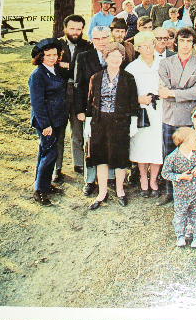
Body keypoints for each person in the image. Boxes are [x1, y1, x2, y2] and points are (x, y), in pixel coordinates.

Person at [158, 27, 196, 205]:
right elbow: (163, 90)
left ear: (194, 44)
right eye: (182, 41)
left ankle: (190, 192)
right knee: (169, 155)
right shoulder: (165, 63)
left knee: (190, 155)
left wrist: (174, 93)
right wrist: (184, 93)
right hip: (170, 116)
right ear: (176, 42)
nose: (185, 45)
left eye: (189, 41)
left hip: (189, 117)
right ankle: (169, 191)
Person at [85, 43, 139, 210]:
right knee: (100, 158)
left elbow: (133, 103)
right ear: (106, 57)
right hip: (99, 122)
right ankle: (102, 192)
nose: (115, 59)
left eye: (119, 56)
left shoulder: (128, 78)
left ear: (123, 58)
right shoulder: (96, 77)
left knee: (120, 158)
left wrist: (133, 123)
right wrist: (88, 124)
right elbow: (90, 102)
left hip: (120, 123)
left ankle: (120, 190)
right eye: (112, 56)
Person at [28, 38, 70, 205]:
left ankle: (44, 185)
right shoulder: (38, 75)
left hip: (57, 119)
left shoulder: (56, 70)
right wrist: (45, 125)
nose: (52, 58)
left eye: (55, 55)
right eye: (48, 55)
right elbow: (37, 103)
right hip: (46, 122)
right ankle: (39, 191)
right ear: (41, 57)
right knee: (50, 153)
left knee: (47, 152)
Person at [74, 26, 112, 196]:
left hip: (112, 110)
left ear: (110, 38)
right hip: (91, 109)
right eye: (97, 38)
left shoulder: (117, 55)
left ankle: (110, 177)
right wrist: (80, 110)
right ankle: (90, 180)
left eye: (104, 38)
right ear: (92, 40)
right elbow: (78, 85)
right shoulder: (83, 57)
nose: (101, 42)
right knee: (90, 145)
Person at [125, 32, 164, 198]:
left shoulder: (163, 63)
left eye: (151, 45)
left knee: (157, 146)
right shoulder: (132, 68)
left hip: (160, 109)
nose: (148, 49)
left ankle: (153, 179)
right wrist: (138, 99)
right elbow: (124, 93)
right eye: (144, 46)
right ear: (137, 48)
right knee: (141, 145)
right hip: (141, 111)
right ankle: (143, 178)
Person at [55, 14, 93, 181]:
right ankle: (57, 168)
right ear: (65, 28)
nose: (75, 32)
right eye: (72, 28)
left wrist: (68, 66)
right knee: (59, 132)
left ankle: (79, 163)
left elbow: (87, 70)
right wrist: (73, 68)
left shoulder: (87, 46)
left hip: (79, 94)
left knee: (78, 132)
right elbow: (53, 67)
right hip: (59, 93)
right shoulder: (56, 44)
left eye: (79, 29)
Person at [160, 127, 196, 248]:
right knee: (180, 215)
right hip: (181, 194)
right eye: (195, 140)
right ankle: (180, 236)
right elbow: (165, 173)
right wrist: (179, 176)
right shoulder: (172, 157)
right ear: (185, 142)